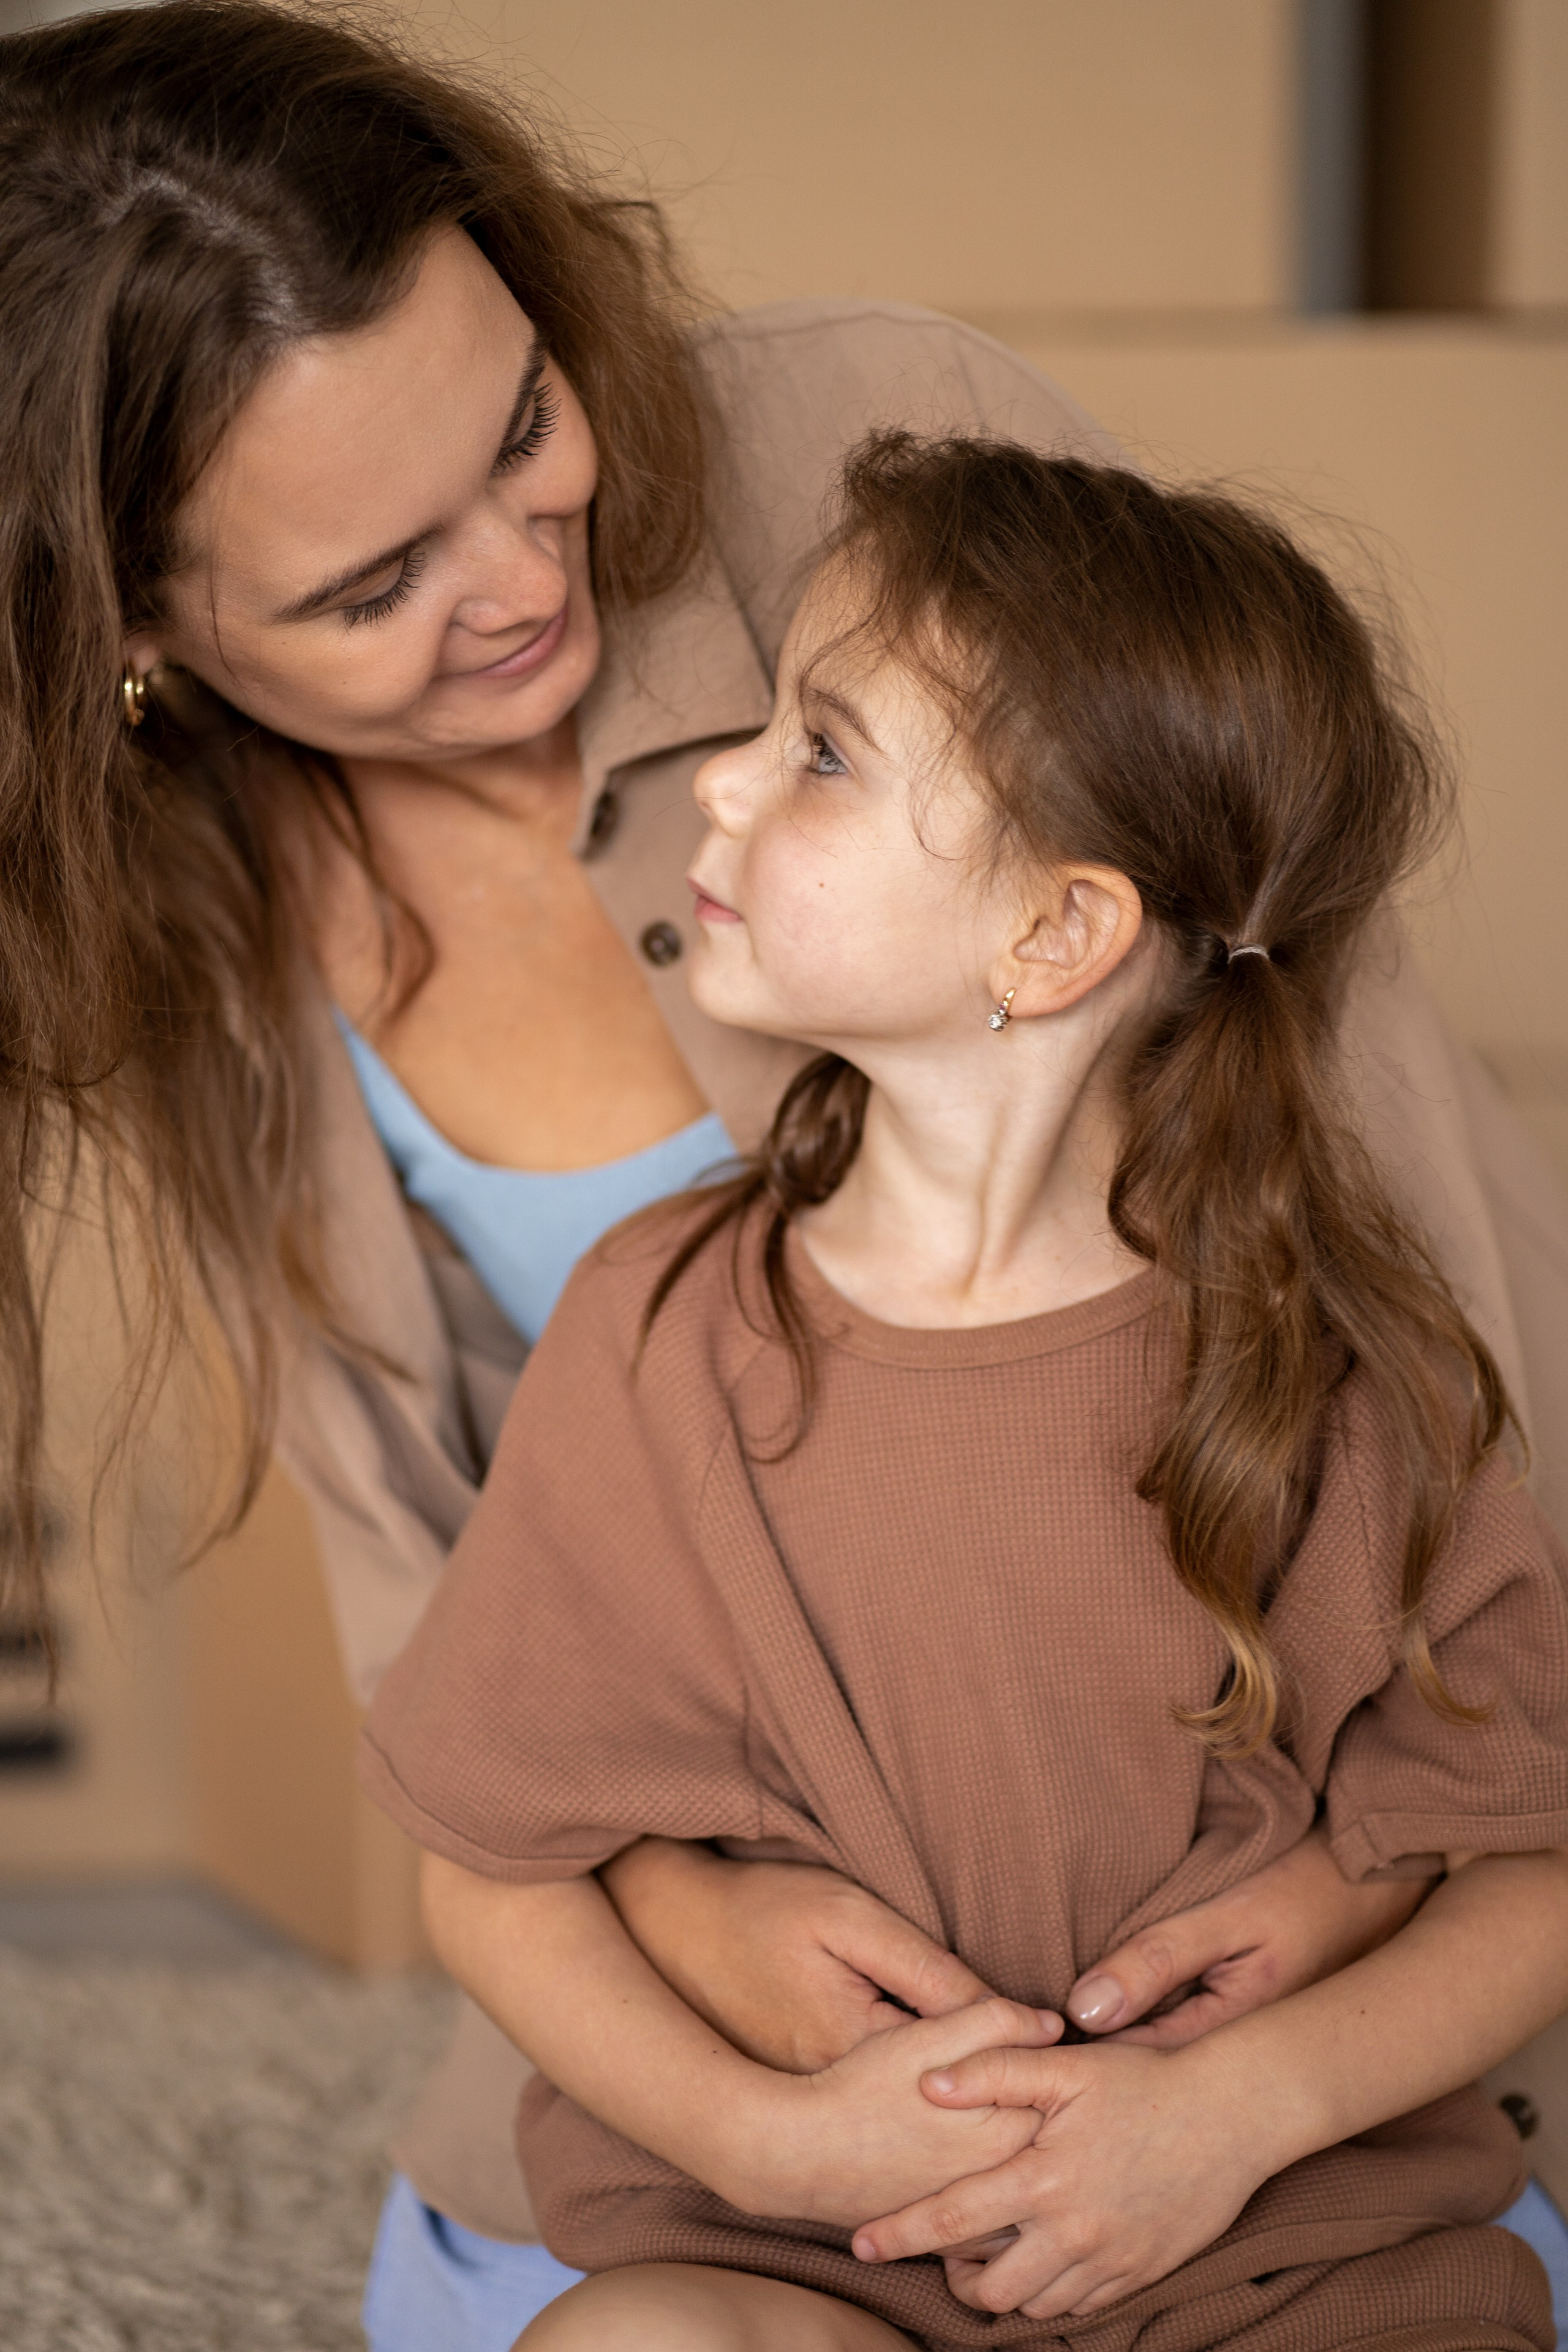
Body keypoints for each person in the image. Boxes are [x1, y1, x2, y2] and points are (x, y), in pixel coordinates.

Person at [1, 3, 1565, 2343]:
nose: (527, 576)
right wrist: (714, 1991)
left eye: (526, 420)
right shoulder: (176, 923)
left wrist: (1360, 1918)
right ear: (130, 638)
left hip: (1287, 2026)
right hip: (737, 2037)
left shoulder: (882, 469)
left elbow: (1383, 1199)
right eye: (367, 586)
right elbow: (452, 1683)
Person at [362, 434, 1568, 2351]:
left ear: (1054, 935)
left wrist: (1239, 2112)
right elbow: (498, 1885)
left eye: (823, 751)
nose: (730, 780)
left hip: (1273, 2249)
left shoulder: (1345, 1358)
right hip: (810, 2259)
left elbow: (1527, 1873)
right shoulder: (650, 1328)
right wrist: (764, 2150)